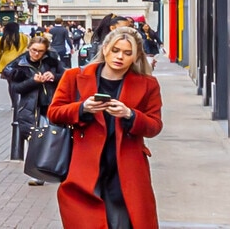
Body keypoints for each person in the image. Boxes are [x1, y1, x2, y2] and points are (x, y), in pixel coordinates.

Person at [48, 26, 162, 229]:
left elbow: (154, 126)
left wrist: (130, 114)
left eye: (128, 53)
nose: (120, 57)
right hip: (84, 167)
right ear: (105, 48)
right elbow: (54, 112)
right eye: (116, 50)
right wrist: (82, 108)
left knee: (125, 222)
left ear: (136, 57)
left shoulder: (147, 84)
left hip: (126, 168)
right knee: (86, 221)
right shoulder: (75, 76)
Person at [3, 33, 63, 182]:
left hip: (51, 106)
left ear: (46, 51)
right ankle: (39, 175)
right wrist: (33, 81)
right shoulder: (20, 65)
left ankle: (53, 170)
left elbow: (66, 77)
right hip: (31, 108)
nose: (36, 54)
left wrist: (54, 76)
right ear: (28, 48)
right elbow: (17, 88)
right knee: (36, 141)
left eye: (40, 51)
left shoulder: (52, 62)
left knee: (55, 139)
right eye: (34, 50)